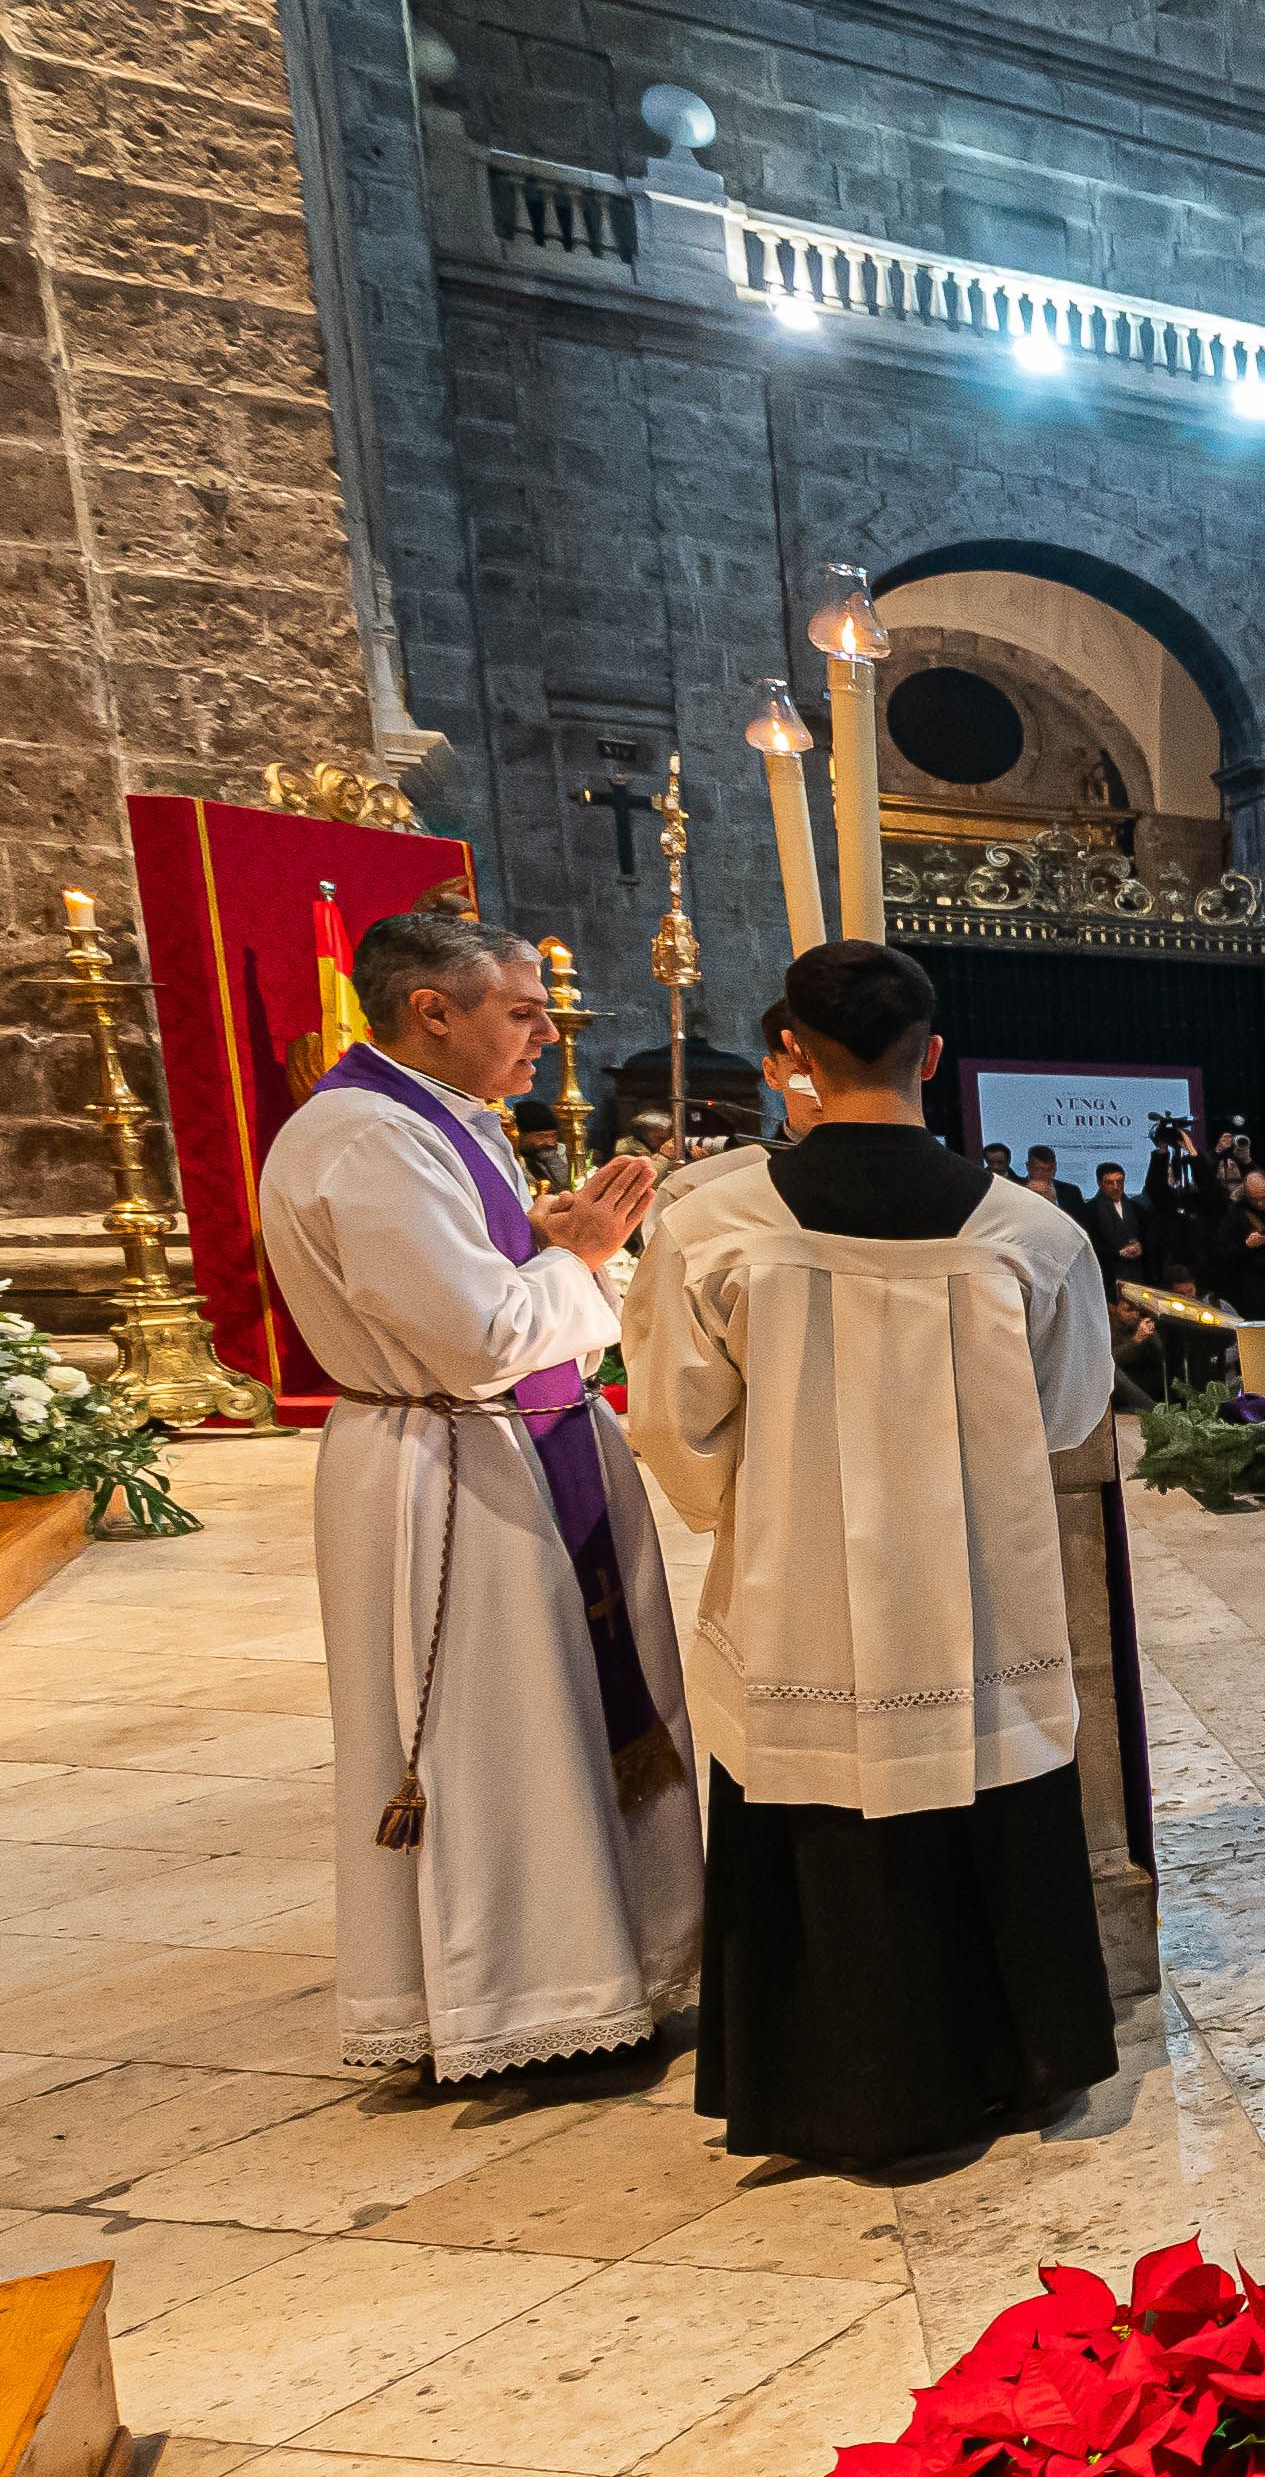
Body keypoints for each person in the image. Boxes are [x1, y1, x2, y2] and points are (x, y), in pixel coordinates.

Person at [623, 941, 1118, 2167]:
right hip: (981, 1593)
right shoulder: (1032, 1234)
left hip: (804, 1603)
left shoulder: (714, 1225)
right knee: (991, 1803)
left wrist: (769, 1487)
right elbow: (1065, 1418)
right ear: (934, 1056)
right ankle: (1020, 2065)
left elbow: (675, 1424)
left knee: (819, 1816)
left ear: (791, 1053)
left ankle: (827, 2089)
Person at [258, 907, 699, 2093]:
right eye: (521, 1010)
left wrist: (543, 1237)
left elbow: (471, 1285)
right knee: (495, 1736)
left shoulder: (441, 1121)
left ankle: (608, 1967)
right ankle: (518, 1994)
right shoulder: (363, 1139)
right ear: (430, 1011)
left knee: (556, 1717)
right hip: (448, 1472)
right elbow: (480, 1337)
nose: (547, 1032)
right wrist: (582, 1257)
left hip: (510, 1450)